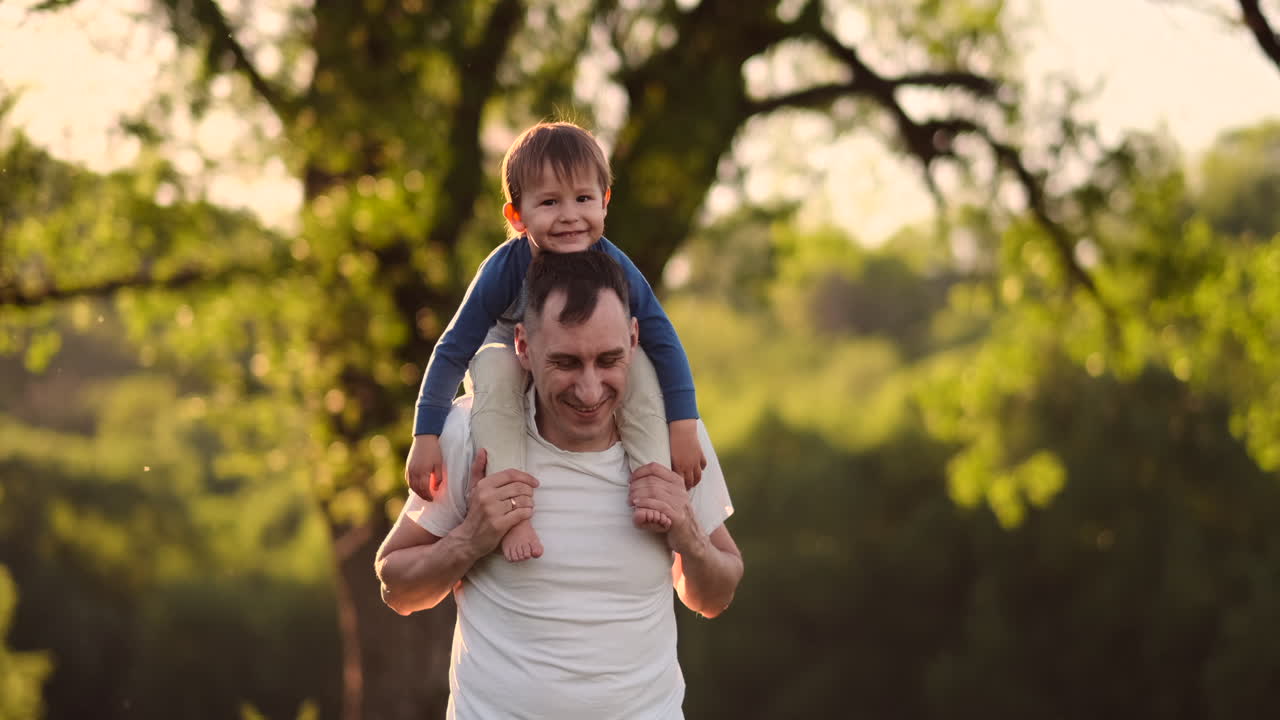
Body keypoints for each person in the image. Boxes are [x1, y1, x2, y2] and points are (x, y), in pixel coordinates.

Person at [376, 251, 743, 719]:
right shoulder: (470, 433)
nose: (590, 391)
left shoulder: (675, 439)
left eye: (608, 360)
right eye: (566, 363)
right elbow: (396, 588)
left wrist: (688, 535)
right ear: (524, 347)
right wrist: (469, 539)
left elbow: (715, 595)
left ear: (634, 339)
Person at [404, 121, 706, 562]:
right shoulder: (504, 268)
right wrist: (426, 433)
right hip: (511, 350)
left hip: (578, 361)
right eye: (549, 202)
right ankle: (511, 509)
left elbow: (662, 336)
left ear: (604, 202)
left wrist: (684, 425)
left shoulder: (613, 264)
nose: (569, 216)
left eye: (583, 199)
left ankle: (652, 482)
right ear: (517, 215)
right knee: (496, 370)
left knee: (637, 363)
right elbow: (454, 347)